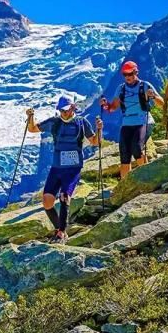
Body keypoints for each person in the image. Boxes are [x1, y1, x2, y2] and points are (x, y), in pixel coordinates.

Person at [26, 96, 102, 244]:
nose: (63, 113)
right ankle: (58, 228)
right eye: (61, 110)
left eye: (66, 110)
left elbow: (95, 141)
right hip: (57, 167)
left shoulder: (81, 122)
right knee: (47, 201)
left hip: (73, 168)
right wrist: (30, 117)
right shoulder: (54, 122)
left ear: (73, 108)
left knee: (64, 197)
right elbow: (32, 128)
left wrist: (99, 129)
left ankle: (62, 232)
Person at [100, 61, 164, 178]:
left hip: (144, 121)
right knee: (124, 153)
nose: (128, 77)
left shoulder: (145, 85)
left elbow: (162, 104)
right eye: (125, 74)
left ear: (136, 72)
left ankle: (147, 178)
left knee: (136, 147)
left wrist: (153, 96)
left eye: (130, 74)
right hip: (127, 123)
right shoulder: (121, 89)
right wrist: (105, 105)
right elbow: (113, 108)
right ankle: (125, 185)